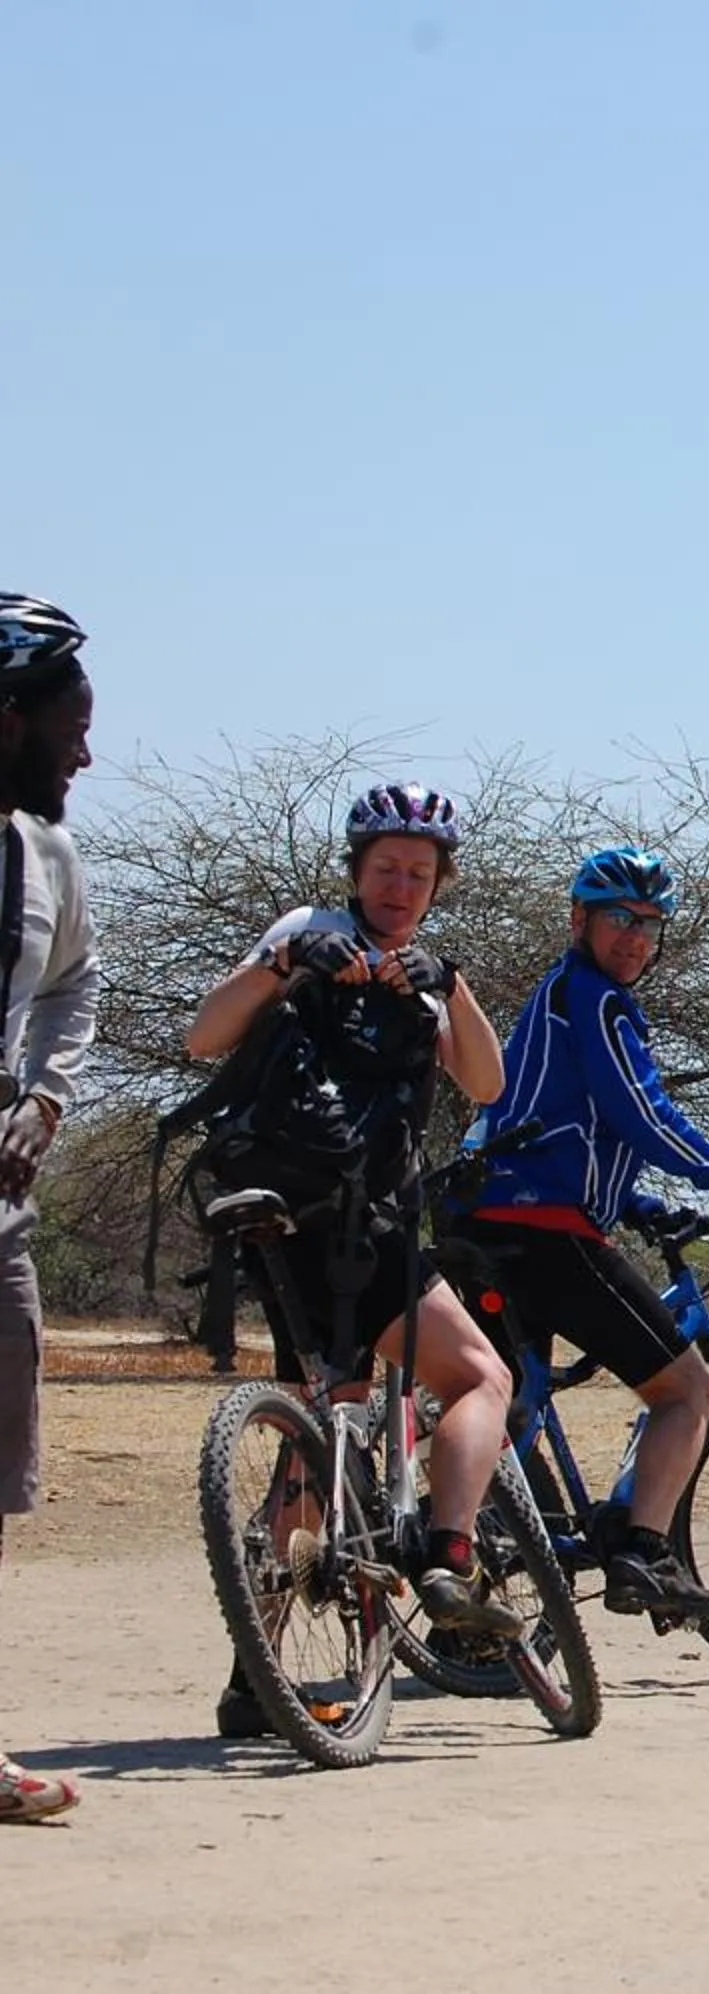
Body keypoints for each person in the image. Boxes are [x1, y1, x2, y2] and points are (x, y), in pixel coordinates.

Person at [185, 780, 521, 1741]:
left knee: (318, 1435)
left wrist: (443, 981)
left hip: (295, 1226)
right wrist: (287, 962)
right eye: (386, 869)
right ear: (356, 867)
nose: (401, 886)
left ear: (440, 882)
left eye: (420, 873)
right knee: (480, 1375)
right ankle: (447, 1556)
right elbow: (205, 1035)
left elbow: (484, 1081)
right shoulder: (308, 931)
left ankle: (257, 1674)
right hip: (348, 1222)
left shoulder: (422, 967)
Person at [445, 845, 709, 1624]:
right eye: (619, 919)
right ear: (579, 921)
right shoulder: (597, 1002)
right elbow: (640, 1112)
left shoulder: (557, 996)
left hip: (483, 1220)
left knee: (508, 1406)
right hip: (542, 1233)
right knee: (689, 1391)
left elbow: (561, 1127)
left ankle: (466, 1608)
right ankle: (644, 1555)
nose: (634, 937)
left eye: (650, 925)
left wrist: (634, 1204)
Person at [0, 594, 99, 1823]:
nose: (86, 750)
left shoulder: (44, 860)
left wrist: (48, 1101)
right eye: (71, 724)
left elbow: (76, 984)